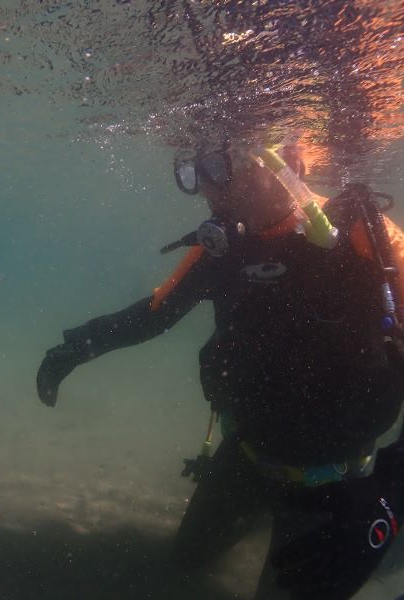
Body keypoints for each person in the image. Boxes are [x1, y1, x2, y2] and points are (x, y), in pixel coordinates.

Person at [36, 144, 404, 599]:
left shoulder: (360, 232)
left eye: (218, 166)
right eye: (193, 171)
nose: (206, 189)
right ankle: (265, 518)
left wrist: (397, 475)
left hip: (338, 479)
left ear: (280, 163)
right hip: (249, 456)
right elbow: (154, 313)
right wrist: (73, 349)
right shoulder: (223, 248)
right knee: (186, 559)